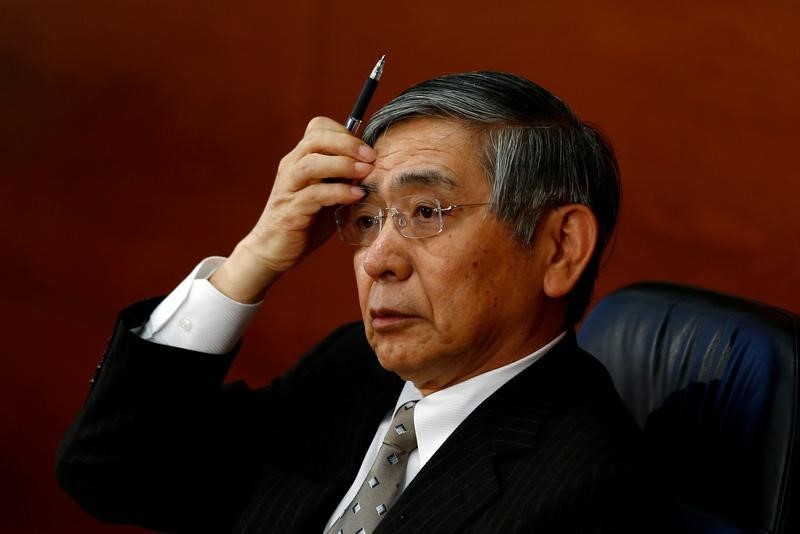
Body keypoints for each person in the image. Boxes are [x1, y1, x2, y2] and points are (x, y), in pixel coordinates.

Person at [57, 72, 671, 533]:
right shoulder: (352, 371)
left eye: (426, 212)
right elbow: (112, 472)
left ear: (559, 247)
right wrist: (255, 258)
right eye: (367, 218)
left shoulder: (591, 492)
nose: (378, 258)